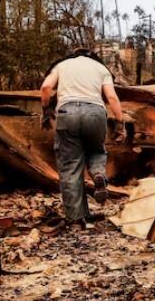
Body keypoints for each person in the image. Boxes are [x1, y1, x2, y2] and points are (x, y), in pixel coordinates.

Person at [40, 49, 124, 228]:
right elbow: (112, 97)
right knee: (96, 151)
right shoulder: (101, 68)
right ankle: (99, 174)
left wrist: (46, 110)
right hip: (95, 113)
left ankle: (76, 220)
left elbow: (46, 87)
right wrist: (120, 123)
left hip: (67, 112)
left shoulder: (62, 65)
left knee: (70, 166)